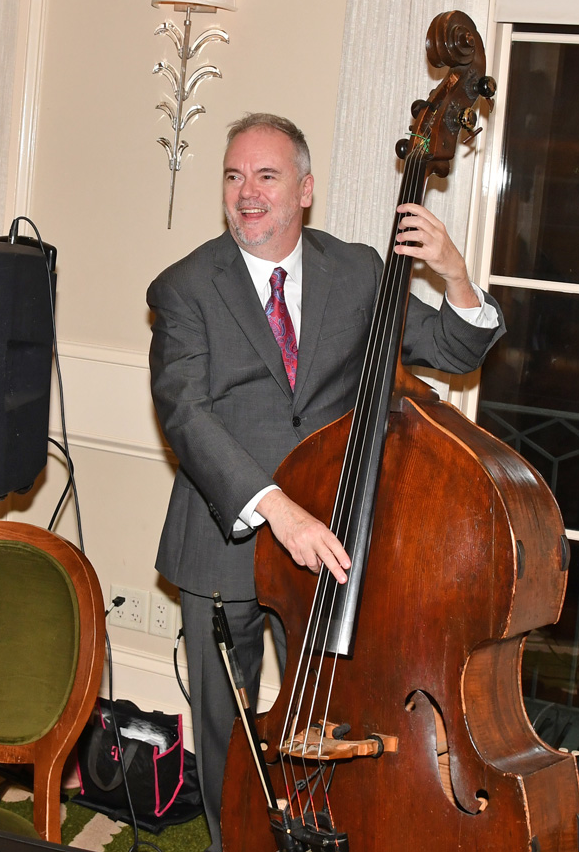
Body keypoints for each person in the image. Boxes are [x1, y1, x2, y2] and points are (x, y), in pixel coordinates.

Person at [147, 113, 504, 851]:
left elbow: (452, 348)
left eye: (266, 176)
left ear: (305, 190)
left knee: (332, 721)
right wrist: (276, 509)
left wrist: (456, 274)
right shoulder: (185, 286)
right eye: (234, 176)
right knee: (227, 733)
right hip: (224, 538)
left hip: (333, 546)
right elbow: (185, 413)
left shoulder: (359, 271)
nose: (247, 193)